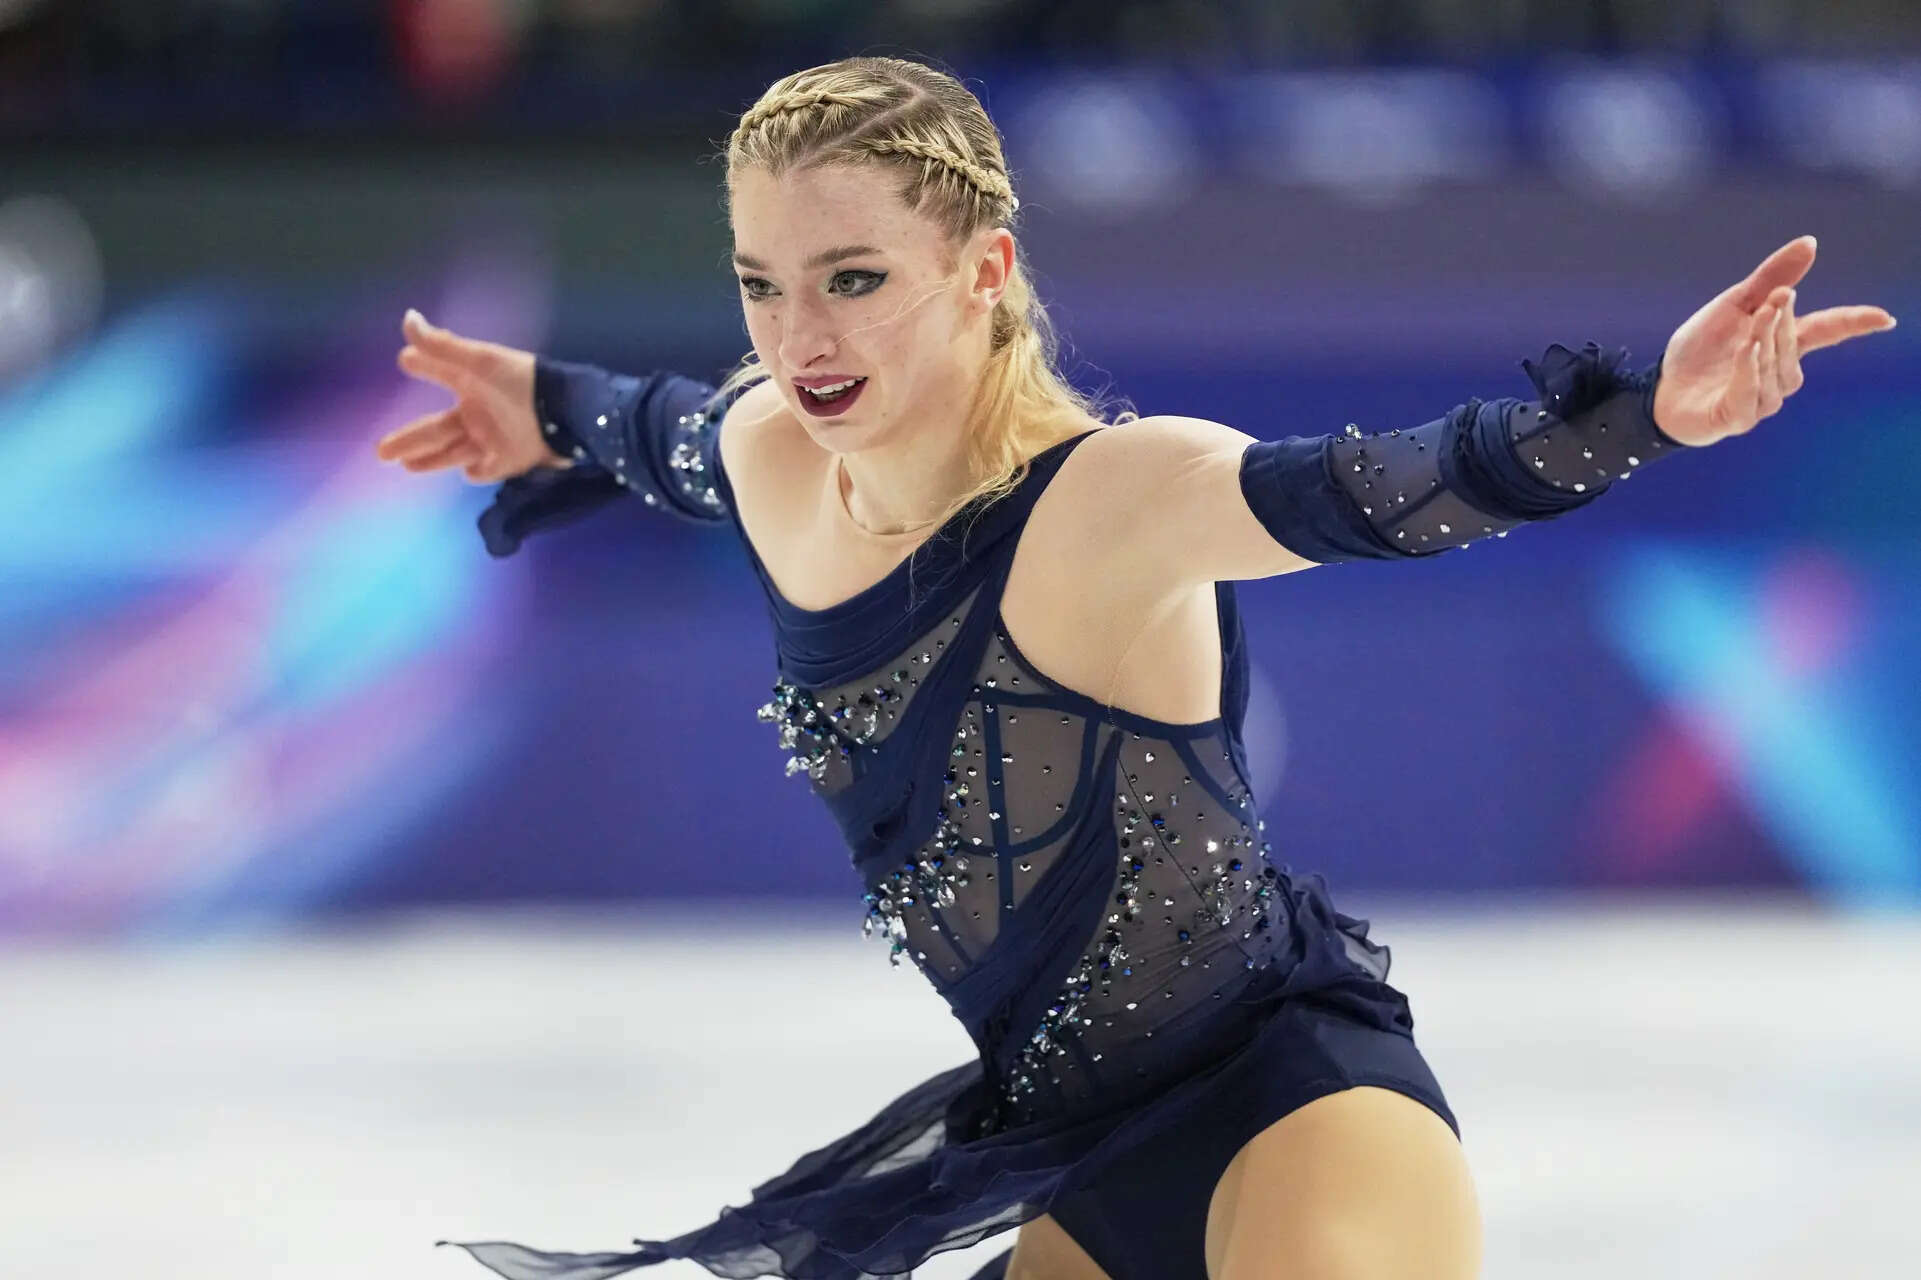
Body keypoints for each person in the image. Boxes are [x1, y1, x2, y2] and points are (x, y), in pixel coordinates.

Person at [374, 54, 1895, 1280]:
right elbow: (661, 435)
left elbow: (1382, 487)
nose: (795, 334)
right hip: (1079, 1171)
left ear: (982, 271)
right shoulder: (774, 456)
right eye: (760, 283)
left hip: (1293, 1125)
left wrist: (1647, 414)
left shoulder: (1110, 497)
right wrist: (540, 404)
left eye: (851, 278)